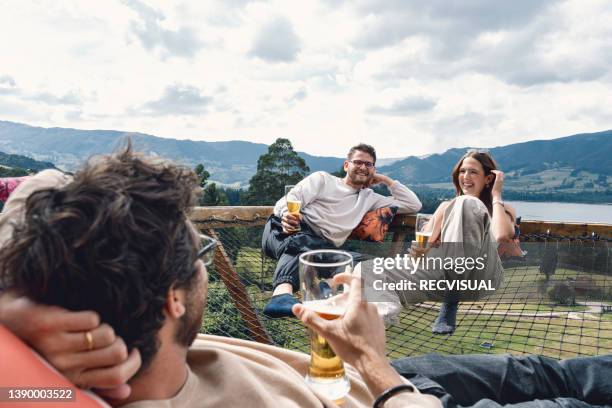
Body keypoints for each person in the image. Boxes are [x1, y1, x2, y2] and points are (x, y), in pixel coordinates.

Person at [1, 147, 610, 407]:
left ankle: (290, 285)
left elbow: (44, 184)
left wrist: (10, 309)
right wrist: (375, 364)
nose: (206, 260)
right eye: (200, 256)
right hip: (394, 394)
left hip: (355, 378)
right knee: (559, 393)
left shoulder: (64, 367)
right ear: (170, 300)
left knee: (540, 369)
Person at [262, 143, 422, 317]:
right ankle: (281, 295)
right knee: (301, 242)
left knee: (367, 264)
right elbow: (291, 198)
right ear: (346, 165)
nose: (363, 167)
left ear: (373, 170)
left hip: (323, 248)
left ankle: (325, 287)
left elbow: (413, 204)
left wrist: (386, 180)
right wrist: (287, 215)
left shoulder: (370, 198)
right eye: (358, 162)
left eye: (368, 164)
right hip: (285, 230)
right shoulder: (322, 180)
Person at [427, 150, 516, 334]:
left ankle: (450, 301)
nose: (466, 177)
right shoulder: (446, 207)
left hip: (483, 276)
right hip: (444, 274)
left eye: (473, 172)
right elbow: (424, 244)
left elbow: (501, 235)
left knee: (466, 202)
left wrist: (496, 195)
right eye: (462, 171)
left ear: (488, 179)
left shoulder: (502, 209)